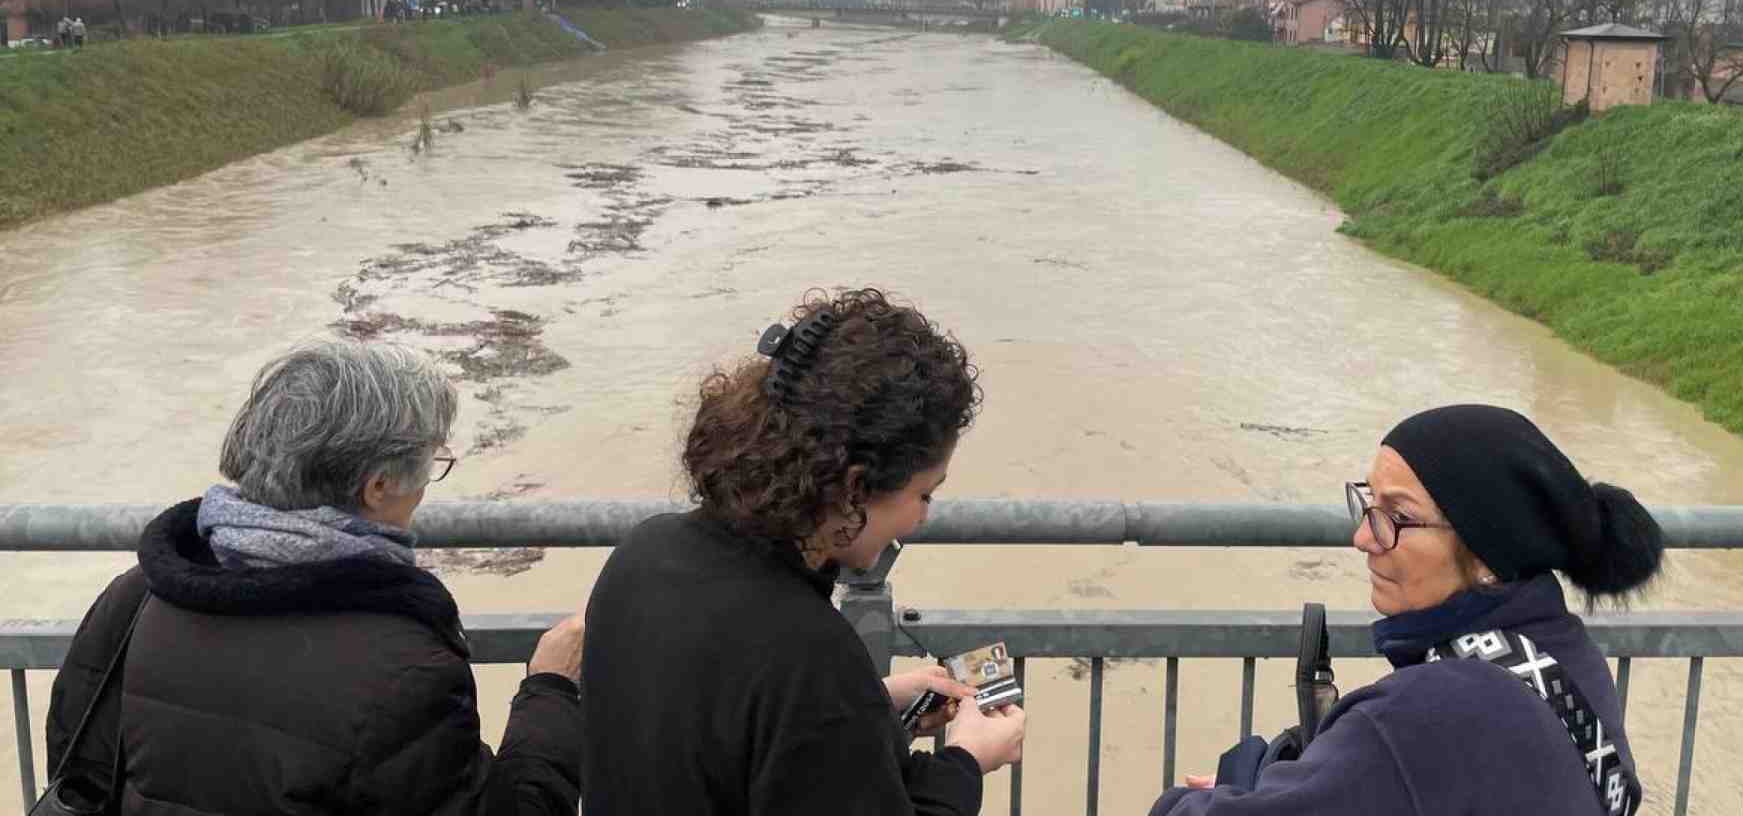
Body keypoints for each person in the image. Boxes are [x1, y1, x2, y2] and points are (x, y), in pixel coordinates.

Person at [47, 340, 586, 814]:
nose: (424, 489)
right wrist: (551, 692)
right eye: (428, 465)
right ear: (377, 488)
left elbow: (77, 769)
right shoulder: (402, 672)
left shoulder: (136, 598)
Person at [584, 288, 1027, 815]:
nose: (923, 517)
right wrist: (966, 762)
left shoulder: (643, 552)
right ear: (855, 488)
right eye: (923, 494)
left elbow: (720, 743)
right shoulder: (809, 655)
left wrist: (871, 706)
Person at [1151, 404, 1663, 816]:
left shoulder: (1417, 719)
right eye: (1368, 503)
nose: (1363, 537)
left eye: (1397, 516)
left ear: (1487, 553)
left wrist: (1226, 788)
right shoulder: (1567, 661)